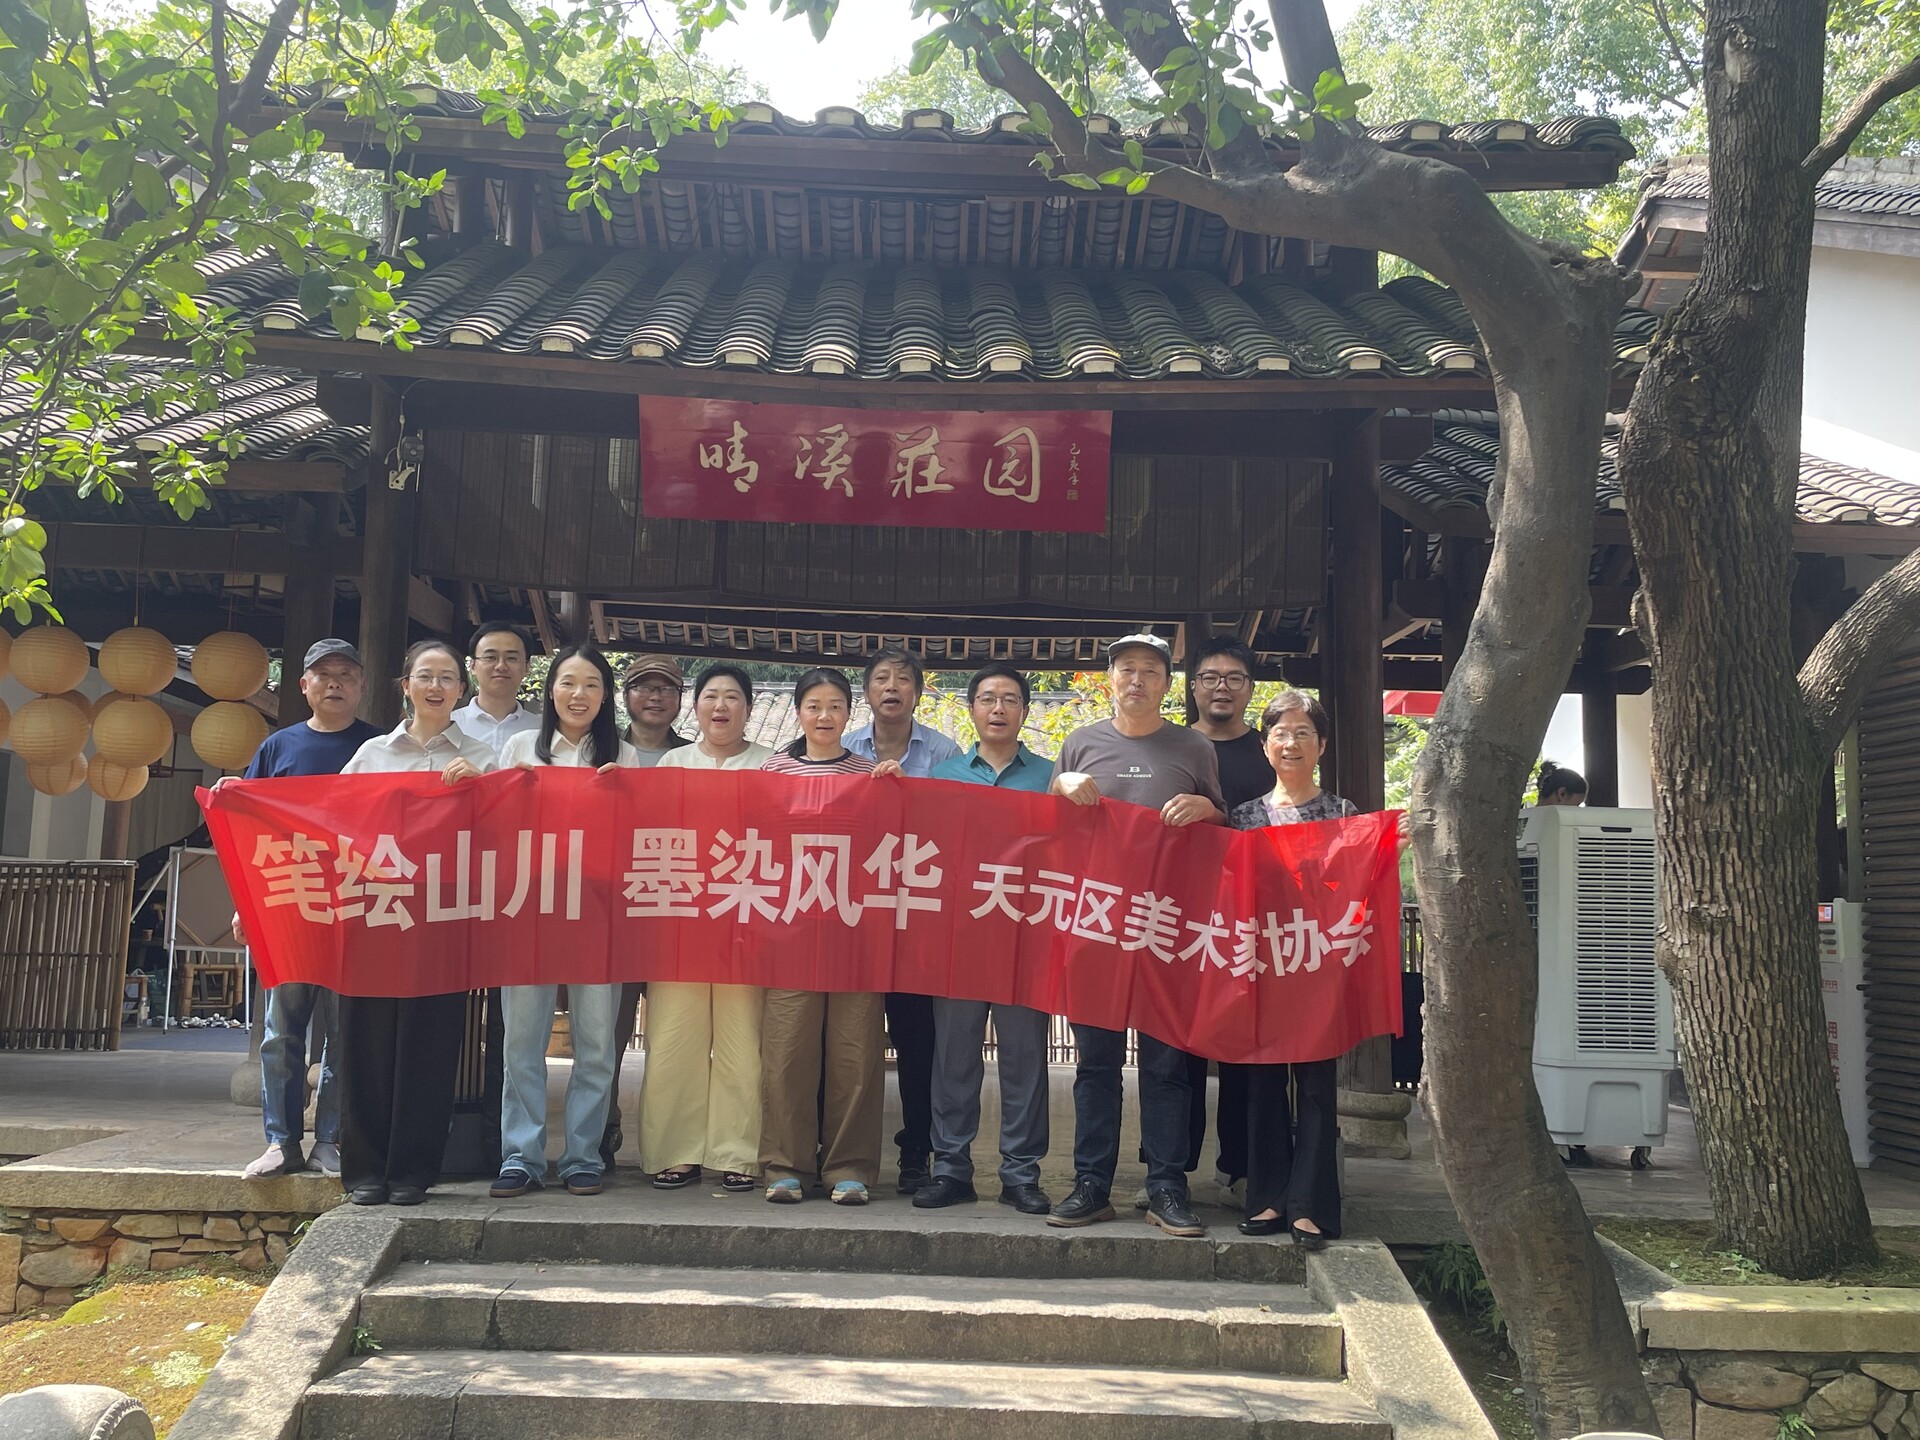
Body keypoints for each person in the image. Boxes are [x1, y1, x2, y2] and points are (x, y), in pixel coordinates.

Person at [1049, 632, 1224, 1238]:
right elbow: (1049, 829)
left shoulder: (1194, 747)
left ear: (1168, 684)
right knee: (1095, 1064)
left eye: (1151, 670)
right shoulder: (1080, 743)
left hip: (1164, 927)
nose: (1138, 680)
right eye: (1127, 669)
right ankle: (1091, 1185)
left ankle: (1167, 1187)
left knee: (1167, 1064)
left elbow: (1222, 825)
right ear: (1110, 678)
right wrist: (1061, 785)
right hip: (1095, 926)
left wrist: (1206, 810)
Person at [337, 639, 499, 1205]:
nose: (436, 686)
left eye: (447, 677)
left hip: (442, 922)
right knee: (366, 1041)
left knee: (431, 1045)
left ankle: (413, 1171)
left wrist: (483, 792)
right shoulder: (371, 755)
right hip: (375, 917)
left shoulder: (484, 757)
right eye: (425, 676)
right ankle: (364, 1168)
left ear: (462, 689)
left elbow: (509, 836)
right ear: (405, 686)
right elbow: (327, 821)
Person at [488, 644, 637, 1200]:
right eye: (569, 683)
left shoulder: (623, 756)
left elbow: (639, 838)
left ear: (605, 696)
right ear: (550, 690)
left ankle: (582, 1156)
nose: (579, 694)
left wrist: (624, 795)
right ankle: (520, 1156)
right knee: (522, 1042)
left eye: (592, 684)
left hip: (598, 915)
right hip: (530, 909)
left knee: (596, 1044)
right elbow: (491, 827)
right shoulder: (520, 748)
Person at [235, 639, 381, 1182]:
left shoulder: (380, 747)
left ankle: (330, 1140)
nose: (335, 682)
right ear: (304, 685)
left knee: (344, 1035)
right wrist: (245, 903)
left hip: (356, 904)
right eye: (324, 674)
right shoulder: (277, 748)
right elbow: (245, 828)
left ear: (362, 684)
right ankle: (280, 1141)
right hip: (290, 901)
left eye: (346, 673)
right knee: (282, 1029)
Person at [757, 667, 903, 1206]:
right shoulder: (772, 771)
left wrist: (898, 792)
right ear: (798, 712)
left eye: (836, 706)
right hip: (789, 934)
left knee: (856, 1055)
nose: (824, 716)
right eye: (814, 706)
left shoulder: (869, 773)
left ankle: (850, 1167)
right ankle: (785, 1166)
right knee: (786, 1054)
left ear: (850, 712)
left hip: (855, 935)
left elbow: (890, 843)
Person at [917, 663, 1055, 1213]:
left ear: (1024, 711)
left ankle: (1021, 1174)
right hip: (960, 940)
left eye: (1010, 699)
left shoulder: (1051, 777)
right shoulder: (942, 777)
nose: (998, 708)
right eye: (988, 698)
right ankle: (951, 1168)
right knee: (953, 1059)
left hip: (1027, 939)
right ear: (971, 708)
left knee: (1025, 1060)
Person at [641, 665, 775, 1194]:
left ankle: (739, 1151)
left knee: (745, 1041)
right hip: (680, 921)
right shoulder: (672, 764)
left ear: (749, 707)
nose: (721, 706)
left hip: (746, 921)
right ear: (695, 706)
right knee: (674, 1037)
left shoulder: (770, 765)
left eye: (732, 697)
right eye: (711, 696)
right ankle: (677, 1150)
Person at [1228, 689, 1353, 1249]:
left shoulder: (1343, 815)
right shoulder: (1245, 817)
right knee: (1262, 1084)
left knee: (1318, 1086)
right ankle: (1269, 1197)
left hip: (1320, 966)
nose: (1291, 743)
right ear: (1265, 745)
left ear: (1322, 745)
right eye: (1280, 733)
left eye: (1304, 733)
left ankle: (1311, 1206)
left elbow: (1354, 888)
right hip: (1263, 964)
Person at [847, 647, 960, 1194]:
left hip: (918, 920)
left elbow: (959, 826)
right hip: (853, 919)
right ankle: (839, 1150)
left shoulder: (944, 751)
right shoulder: (843, 748)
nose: (891, 686)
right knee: (848, 1041)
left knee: (919, 1043)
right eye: (881, 678)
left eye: (902, 679)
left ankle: (917, 1150)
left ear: (917, 690)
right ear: (867, 690)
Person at [1183, 636, 1275, 1204]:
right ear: (1194, 686)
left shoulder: (1272, 751)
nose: (1222, 687)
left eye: (1234, 678)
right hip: (1180, 916)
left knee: (1245, 1046)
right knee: (1177, 1044)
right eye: (1211, 677)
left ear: (1249, 688)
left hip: (1251, 915)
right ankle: (1170, 1168)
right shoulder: (1172, 745)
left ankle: (1240, 1166)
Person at [600, 654, 694, 1171]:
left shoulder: (694, 756)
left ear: (680, 699)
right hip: (613, 912)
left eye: (666, 689)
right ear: (626, 695)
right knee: (606, 1030)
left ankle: (673, 1144)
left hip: (678, 909)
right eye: (643, 687)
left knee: (676, 1034)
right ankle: (601, 1129)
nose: (654, 697)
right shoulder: (598, 751)